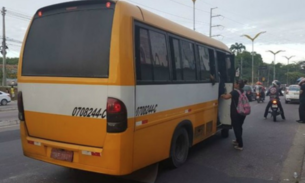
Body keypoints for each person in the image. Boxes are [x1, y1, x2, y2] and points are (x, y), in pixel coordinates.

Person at [221, 79, 248, 151]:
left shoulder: (235, 92)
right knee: (239, 127)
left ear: (238, 85)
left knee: (236, 128)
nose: (234, 85)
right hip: (243, 113)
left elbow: (226, 97)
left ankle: (240, 145)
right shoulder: (242, 91)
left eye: (235, 83)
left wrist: (222, 95)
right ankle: (237, 141)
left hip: (236, 113)